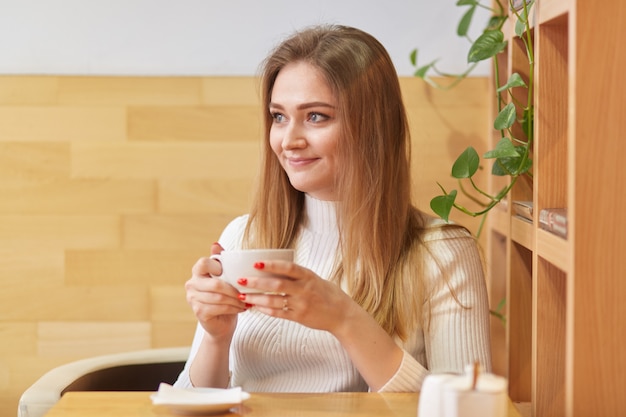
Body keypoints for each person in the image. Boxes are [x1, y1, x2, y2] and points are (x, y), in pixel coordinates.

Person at [174, 24, 492, 393]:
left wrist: (345, 319)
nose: (289, 141)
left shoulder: (442, 253)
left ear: (372, 128)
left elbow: (466, 408)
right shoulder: (243, 236)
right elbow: (191, 402)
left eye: (316, 117)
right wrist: (216, 336)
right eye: (279, 116)